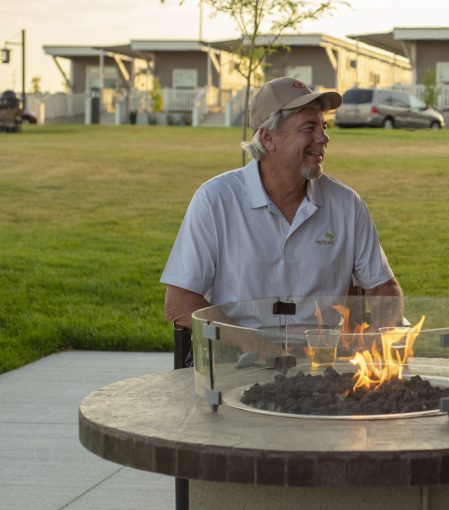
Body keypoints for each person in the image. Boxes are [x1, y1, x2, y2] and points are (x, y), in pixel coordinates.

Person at [161, 77, 402, 331]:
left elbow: (383, 287)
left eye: (324, 126)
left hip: (324, 362)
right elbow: (179, 302)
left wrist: (378, 341)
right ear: (267, 138)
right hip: (239, 362)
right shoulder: (215, 200)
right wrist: (257, 348)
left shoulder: (347, 205)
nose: (323, 138)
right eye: (309, 127)